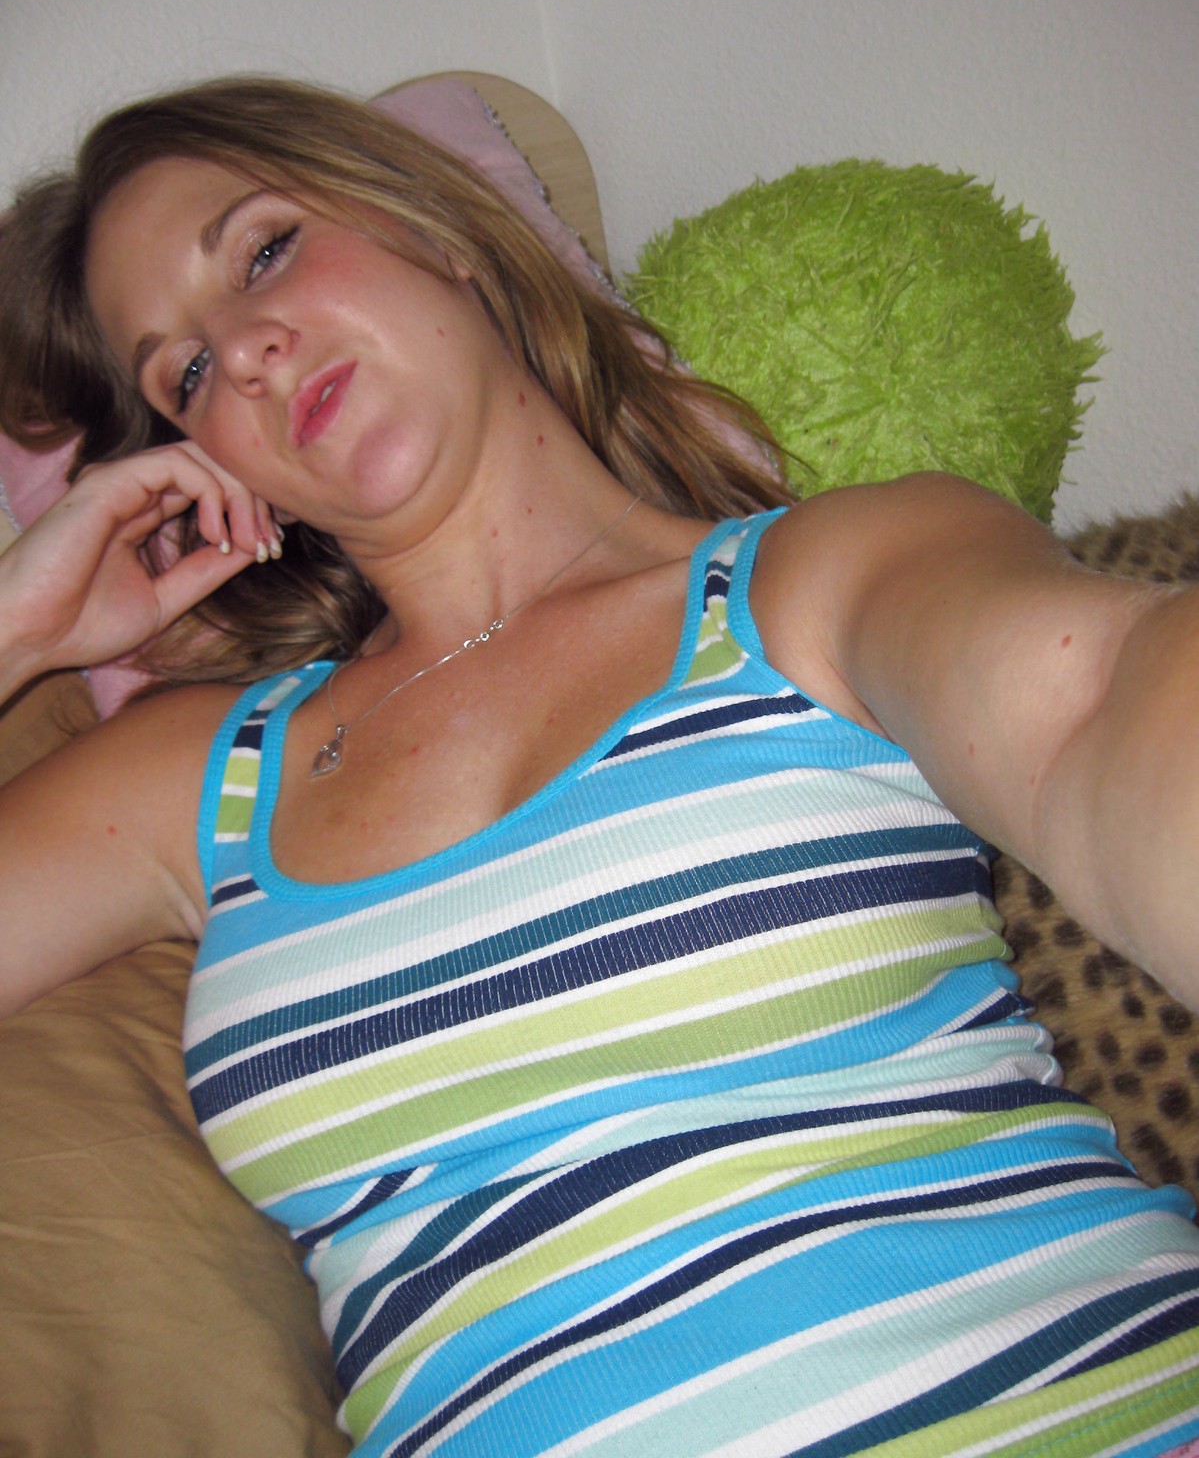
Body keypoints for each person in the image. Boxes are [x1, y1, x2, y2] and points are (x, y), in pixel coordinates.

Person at [0, 76, 1197, 1458]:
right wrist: (18, 627)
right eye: (188, 378)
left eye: (265, 251)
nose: (246, 355)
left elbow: (1100, 699)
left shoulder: (821, 581)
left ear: (428, 228)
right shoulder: (200, 778)